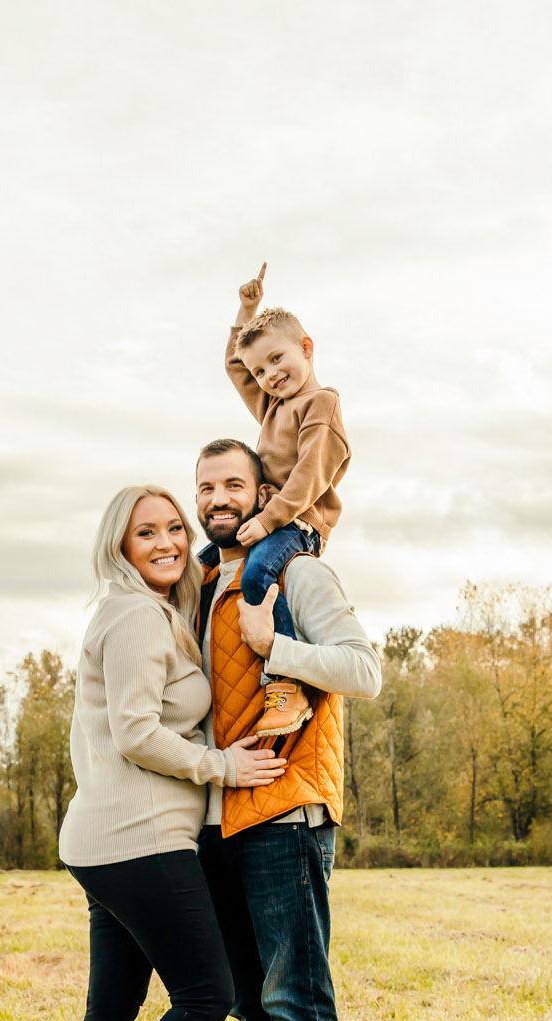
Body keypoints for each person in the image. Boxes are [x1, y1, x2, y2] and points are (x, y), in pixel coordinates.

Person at [162, 440, 380, 1021]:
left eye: (233, 483)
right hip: (221, 816)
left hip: (288, 806)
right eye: (205, 486)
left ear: (263, 492)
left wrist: (274, 643)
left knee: (296, 997)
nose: (217, 497)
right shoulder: (202, 583)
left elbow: (364, 668)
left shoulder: (297, 573)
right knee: (250, 1001)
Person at [57, 484, 287, 1021]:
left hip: (103, 836)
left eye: (172, 528)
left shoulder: (145, 613)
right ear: (119, 546)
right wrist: (220, 764)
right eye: (144, 533)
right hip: (140, 837)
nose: (164, 542)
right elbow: (134, 730)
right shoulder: (136, 618)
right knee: (206, 995)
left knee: (114, 1007)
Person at [215, 263, 353, 740]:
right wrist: (246, 309)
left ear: (306, 348)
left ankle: (288, 682)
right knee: (203, 563)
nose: (269, 374)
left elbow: (311, 473)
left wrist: (270, 520)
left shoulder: (321, 404)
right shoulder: (273, 403)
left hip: (299, 522)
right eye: (261, 369)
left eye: (277, 359)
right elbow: (235, 366)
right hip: (268, 517)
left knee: (257, 573)